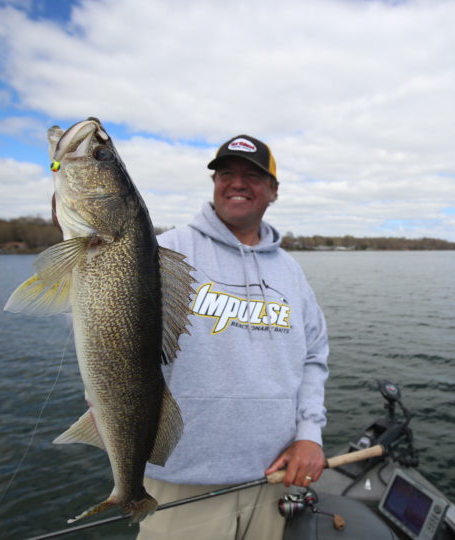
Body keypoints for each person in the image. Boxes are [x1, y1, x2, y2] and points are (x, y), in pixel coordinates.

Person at [137, 135, 330, 540]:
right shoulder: (164, 251)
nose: (237, 183)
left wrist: (309, 435)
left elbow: (314, 355)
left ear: (273, 192)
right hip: (180, 481)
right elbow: (112, 328)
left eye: (252, 176)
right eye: (226, 173)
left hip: (271, 478)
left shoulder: (291, 272)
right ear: (214, 183)